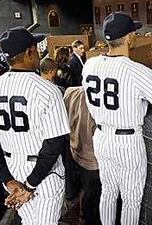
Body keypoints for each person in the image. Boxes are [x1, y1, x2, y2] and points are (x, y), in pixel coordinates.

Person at [82, 12, 152, 225]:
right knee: (131, 200)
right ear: (128, 38)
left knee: (107, 192)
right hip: (127, 141)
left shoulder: (90, 65)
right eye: (133, 32)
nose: (135, 36)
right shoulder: (136, 71)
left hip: (101, 137)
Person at [0, 26, 70, 225]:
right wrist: (29, 185)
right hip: (44, 174)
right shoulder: (48, 90)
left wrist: (8, 180)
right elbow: (54, 144)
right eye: (35, 48)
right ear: (29, 51)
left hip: (12, 169)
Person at [63, 86, 102, 225]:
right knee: (93, 198)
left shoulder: (70, 91)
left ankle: (82, 215)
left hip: (73, 149)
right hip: (92, 157)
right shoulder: (98, 99)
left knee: (84, 192)